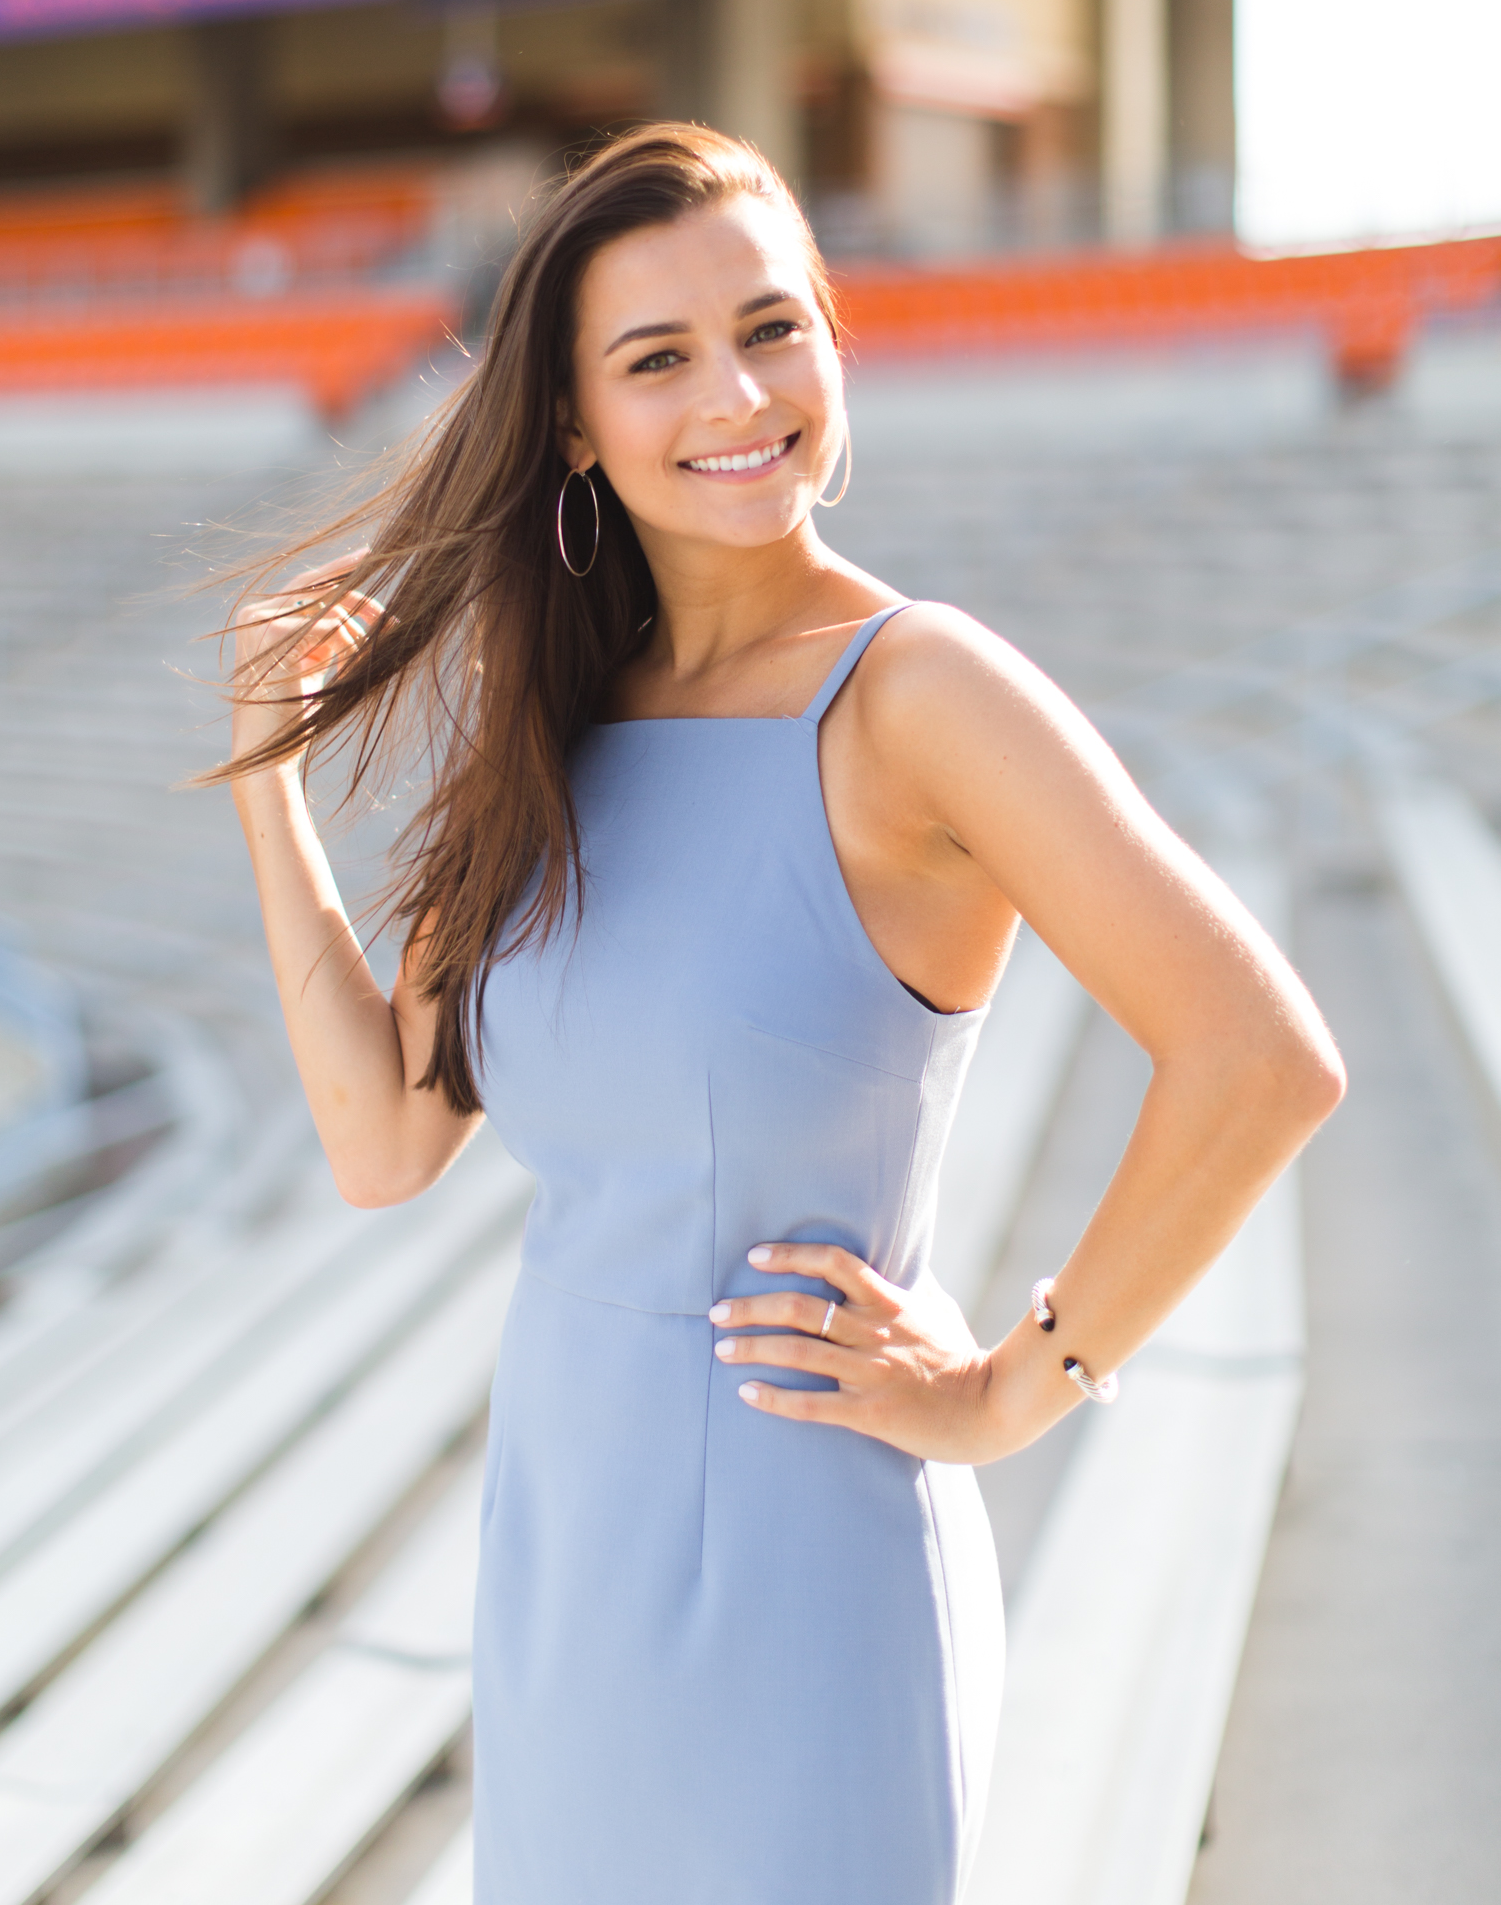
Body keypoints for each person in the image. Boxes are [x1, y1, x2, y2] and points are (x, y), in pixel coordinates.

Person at [216, 124, 1344, 1904]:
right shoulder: (553, 721)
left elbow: (1260, 1058)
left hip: (803, 1559)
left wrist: (1005, 1390)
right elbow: (383, 1140)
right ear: (575, 426)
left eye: (771, 327)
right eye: (657, 358)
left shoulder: (920, 693)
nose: (736, 394)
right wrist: (267, 781)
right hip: (567, 1544)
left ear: (830, 337)